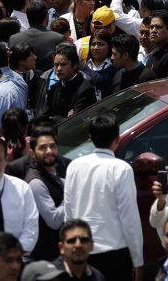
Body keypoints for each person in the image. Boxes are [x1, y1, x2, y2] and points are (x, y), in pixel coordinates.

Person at [63, 114, 143, 279]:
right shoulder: (121, 169)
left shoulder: (74, 166)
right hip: (115, 256)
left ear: (90, 138)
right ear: (117, 139)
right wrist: (138, 262)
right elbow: (130, 219)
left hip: (81, 253)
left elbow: (68, 214)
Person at [22, 127, 68, 262]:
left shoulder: (53, 172)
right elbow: (54, 220)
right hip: (47, 259)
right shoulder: (36, 182)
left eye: (52, 146)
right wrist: (71, 194)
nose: (49, 151)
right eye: (43, 148)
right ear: (32, 153)